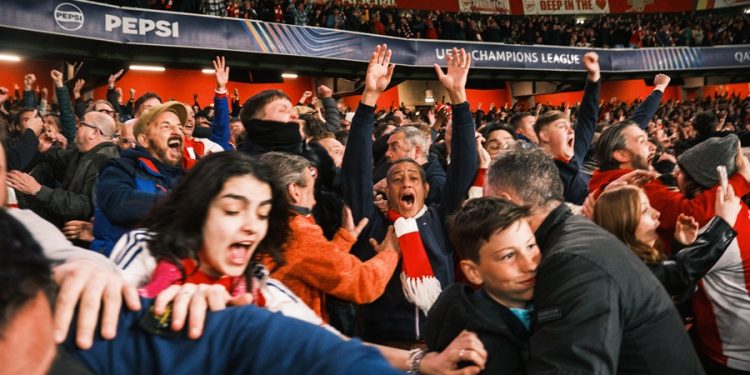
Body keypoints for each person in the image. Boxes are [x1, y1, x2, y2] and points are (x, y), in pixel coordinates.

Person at [483, 145, 703, 374]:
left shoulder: (571, 263)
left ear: (505, 201)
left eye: (489, 205)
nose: (487, 218)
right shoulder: (576, 237)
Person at [342, 45, 477, 345]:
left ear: (425, 189)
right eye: (396, 179)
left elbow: (465, 165)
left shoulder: (441, 220)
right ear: (385, 190)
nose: (405, 183)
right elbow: (355, 172)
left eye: (414, 178)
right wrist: (369, 99)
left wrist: (459, 97)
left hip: (440, 346)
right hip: (385, 349)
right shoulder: (374, 225)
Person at [258, 151, 400, 320]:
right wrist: (390, 253)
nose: (314, 201)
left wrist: (344, 238)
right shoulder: (297, 231)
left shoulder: (261, 222)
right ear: (294, 190)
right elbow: (361, 284)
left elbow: (312, 265)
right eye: (311, 190)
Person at [426, 197, 538, 375]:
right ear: (473, 272)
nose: (530, 265)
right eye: (508, 256)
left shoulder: (550, 295)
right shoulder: (478, 352)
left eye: (531, 246)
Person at [593, 184, 738, 303]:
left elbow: (676, 284)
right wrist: (723, 225)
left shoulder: (641, 259)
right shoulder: (627, 269)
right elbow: (677, 274)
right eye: (644, 210)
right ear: (623, 224)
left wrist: (681, 245)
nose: (656, 213)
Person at [90, 101, 187, 255]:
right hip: (117, 267)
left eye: (180, 127)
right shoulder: (119, 167)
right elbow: (118, 203)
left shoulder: (187, 177)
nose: (177, 132)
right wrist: (182, 205)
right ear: (144, 140)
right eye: (166, 126)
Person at [7, 110, 119, 228]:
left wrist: (38, 190)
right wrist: (43, 148)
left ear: (94, 133)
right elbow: (61, 158)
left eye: (81, 124)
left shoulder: (104, 160)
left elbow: (86, 206)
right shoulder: (84, 154)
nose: (77, 126)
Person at [534, 52, 600, 205]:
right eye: (562, 127)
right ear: (544, 135)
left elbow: (586, 121)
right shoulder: (534, 173)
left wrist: (593, 78)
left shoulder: (573, 155)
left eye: (570, 127)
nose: (571, 131)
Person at [384, 125, 446, 204]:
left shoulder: (436, 183)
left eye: (395, 148)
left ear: (416, 151)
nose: (387, 153)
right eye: (388, 147)